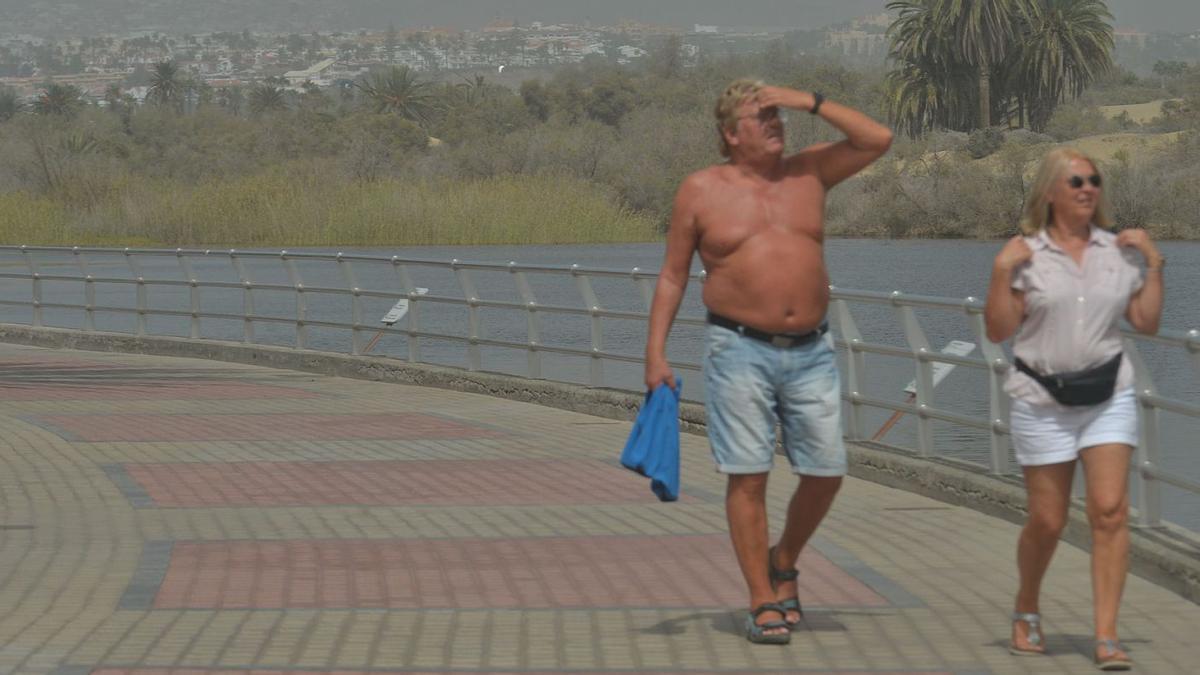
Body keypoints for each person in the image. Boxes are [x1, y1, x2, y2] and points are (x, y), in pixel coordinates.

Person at [643, 79, 892, 644]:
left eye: (781, 116)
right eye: (764, 117)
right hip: (738, 350)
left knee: (826, 471)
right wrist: (655, 353)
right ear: (732, 134)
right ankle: (761, 597)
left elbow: (878, 138)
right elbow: (672, 275)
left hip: (812, 349)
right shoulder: (701, 190)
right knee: (747, 475)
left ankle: (785, 558)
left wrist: (811, 101)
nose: (778, 124)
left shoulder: (811, 173)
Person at [984, 147, 1164, 671]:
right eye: (1076, 181)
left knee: (1109, 511)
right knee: (1048, 519)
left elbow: (1146, 322)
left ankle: (1106, 634)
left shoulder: (1119, 252)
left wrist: (1153, 263)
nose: (1088, 188)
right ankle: (1027, 607)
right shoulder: (1024, 254)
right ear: (1050, 193)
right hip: (1041, 400)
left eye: (1094, 180)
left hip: (1109, 395)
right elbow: (998, 330)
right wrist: (1000, 272)